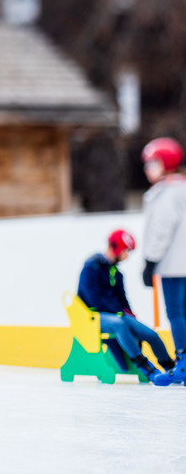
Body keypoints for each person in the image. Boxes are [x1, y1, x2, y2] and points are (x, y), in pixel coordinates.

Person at [78, 229, 173, 382]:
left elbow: (123, 300)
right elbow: (93, 298)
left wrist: (130, 314)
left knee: (151, 334)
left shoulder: (117, 273)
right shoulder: (92, 267)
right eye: (125, 251)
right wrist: (119, 313)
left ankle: (170, 368)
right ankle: (143, 365)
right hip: (94, 316)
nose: (127, 256)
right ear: (116, 248)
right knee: (120, 324)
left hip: (117, 315)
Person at [140, 137, 186, 383]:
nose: (147, 169)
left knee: (176, 313)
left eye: (151, 163)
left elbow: (161, 230)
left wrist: (150, 262)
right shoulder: (182, 189)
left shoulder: (165, 194)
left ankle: (183, 363)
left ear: (165, 163)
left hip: (173, 266)